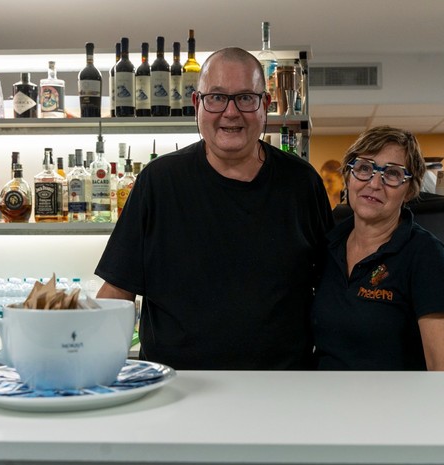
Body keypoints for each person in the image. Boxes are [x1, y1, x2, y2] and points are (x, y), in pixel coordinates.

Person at [95, 47, 333, 370]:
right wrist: (93, 373)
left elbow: (332, 292)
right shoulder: (159, 183)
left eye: (246, 98)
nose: (231, 112)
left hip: (282, 394)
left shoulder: (302, 184)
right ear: (197, 104)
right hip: (177, 390)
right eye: (217, 98)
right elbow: (116, 291)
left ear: (265, 105)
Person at [311, 126, 444, 371]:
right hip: (325, 402)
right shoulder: (328, 245)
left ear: (410, 190)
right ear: (349, 176)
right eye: (364, 168)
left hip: (394, 407)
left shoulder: (426, 255)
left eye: (392, 174)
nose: (374, 183)